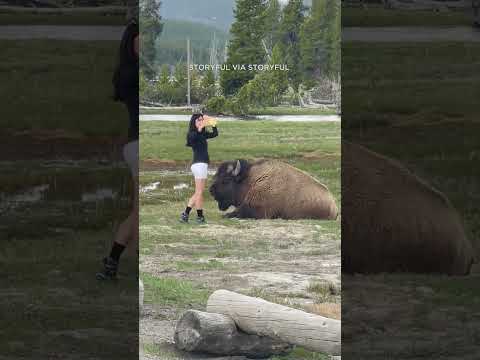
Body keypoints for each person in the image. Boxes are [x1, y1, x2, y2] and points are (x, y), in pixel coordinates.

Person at [96, 9, 139, 280]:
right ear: (134, 43)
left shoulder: (127, 75)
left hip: (134, 144)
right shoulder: (134, 76)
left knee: (138, 211)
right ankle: (112, 265)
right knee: (140, 213)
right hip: (139, 145)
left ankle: (113, 265)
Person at [180, 113, 219, 224]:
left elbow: (215, 134)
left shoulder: (202, 134)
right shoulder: (192, 134)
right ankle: (197, 216)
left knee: (199, 192)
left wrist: (213, 123)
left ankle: (187, 215)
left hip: (202, 165)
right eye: (199, 120)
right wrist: (200, 127)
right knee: (199, 192)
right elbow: (193, 138)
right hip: (199, 165)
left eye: (202, 120)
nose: (201, 122)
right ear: (194, 122)